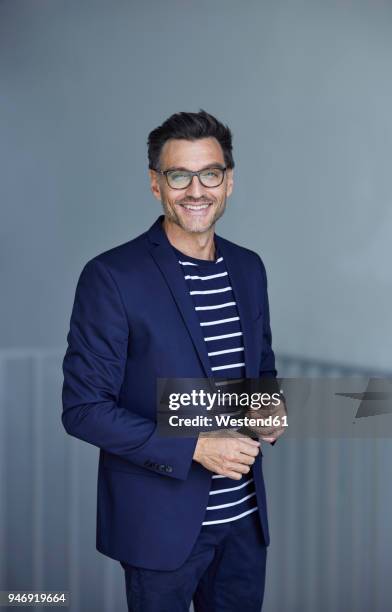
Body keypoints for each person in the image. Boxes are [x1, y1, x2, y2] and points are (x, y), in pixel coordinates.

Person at [61, 109, 284, 612]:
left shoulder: (249, 268)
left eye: (210, 174)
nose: (196, 190)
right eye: (179, 175)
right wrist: (196, 448)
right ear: (156, 184)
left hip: (245, 524)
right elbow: (83, 409)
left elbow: (260, 367)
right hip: (160, 532)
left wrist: (267, 408)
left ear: (229, 181)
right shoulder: (112, 276)